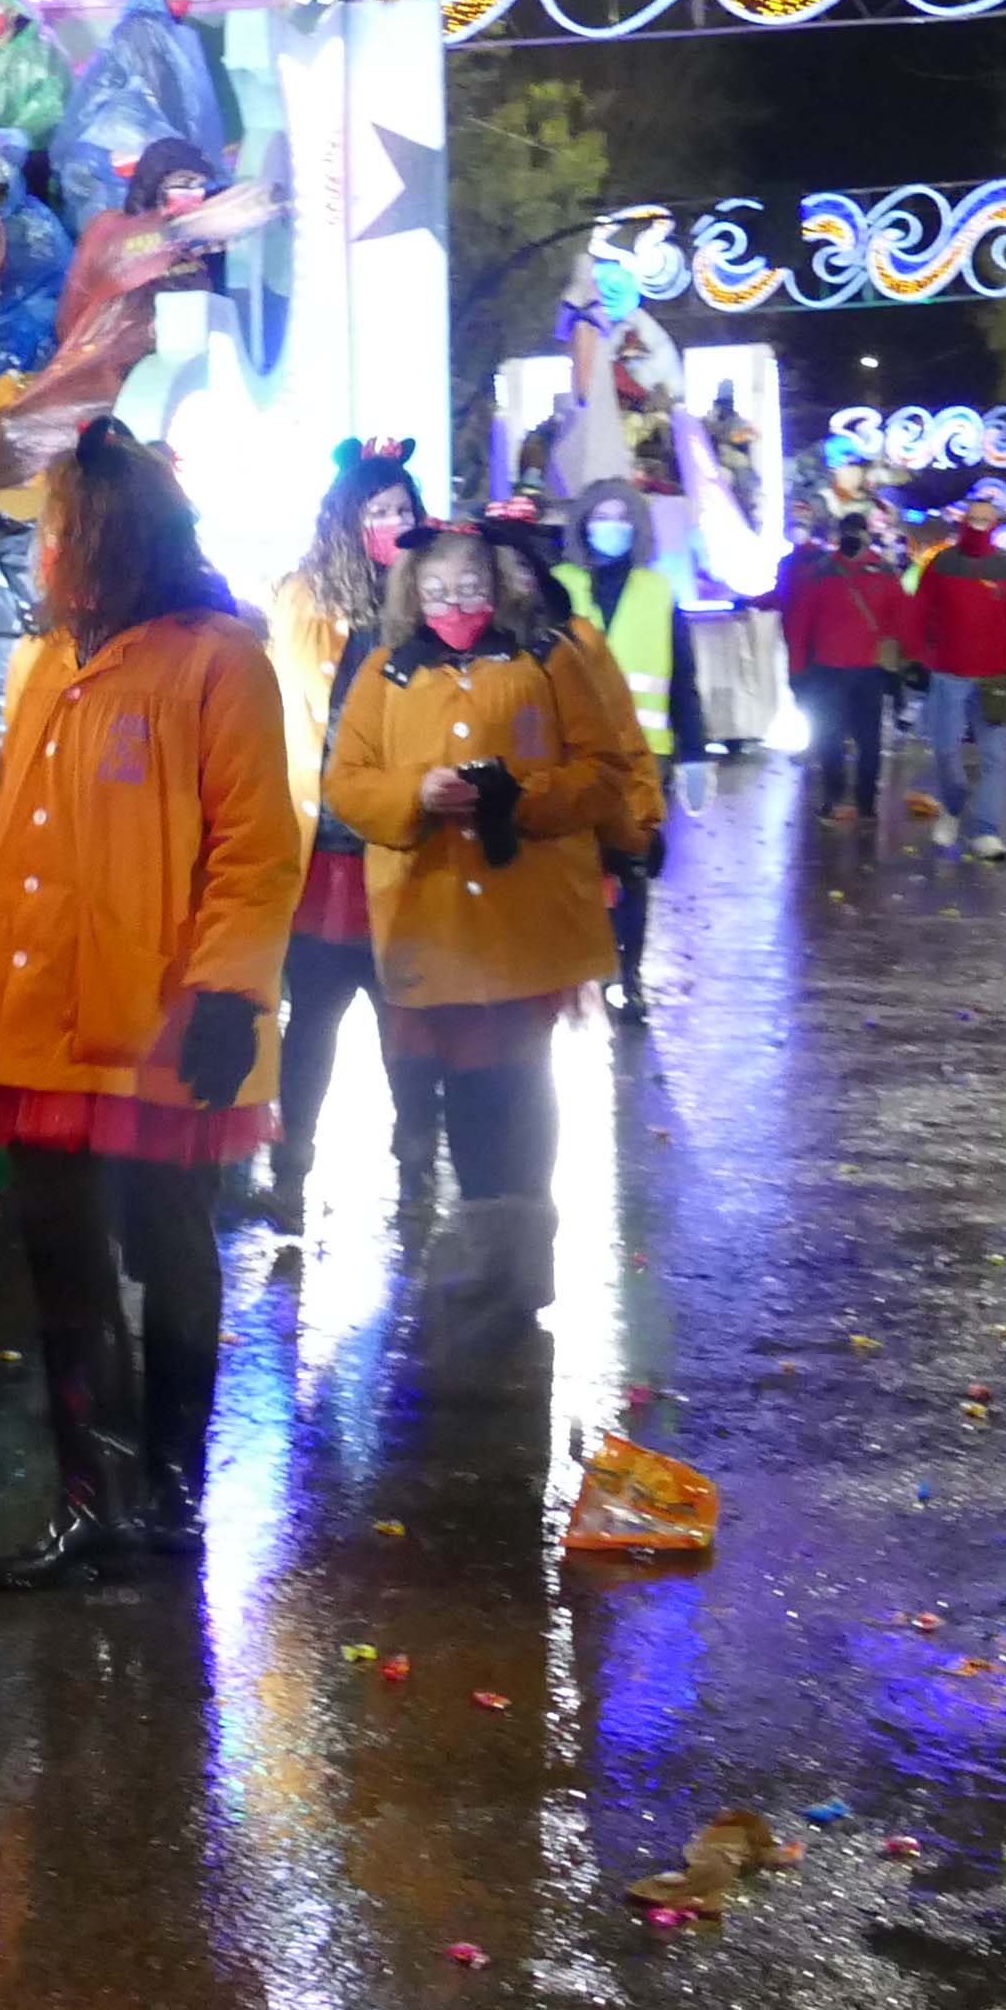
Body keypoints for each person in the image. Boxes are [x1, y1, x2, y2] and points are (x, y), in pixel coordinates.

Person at [0, 422, 303, 1587]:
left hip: (162, 1028)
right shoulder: (47, 664)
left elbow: (256, 849)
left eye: (59, 533)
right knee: (63, 1266)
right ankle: (91, 1493)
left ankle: (173, 1493)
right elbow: (2, 811)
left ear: (113, 538)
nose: (41, 556)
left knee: (173, 1244)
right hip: (38, 1020)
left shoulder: (219, 662)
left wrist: (231, 992)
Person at [326, 516, 648, 1353]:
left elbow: (602, 771)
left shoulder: (549, 660)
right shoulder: (385, 673)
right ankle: (484, 1260)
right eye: (435, 591)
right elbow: (348, 785)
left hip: (524, 919)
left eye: (469, 587)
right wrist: (413, 795)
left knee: (521, 1082)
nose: (453, 604)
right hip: (432, 919)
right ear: (410, 594)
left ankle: (522, 1259)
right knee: (465, 1090)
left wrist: (519, 796)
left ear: (498, 585)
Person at [260, 446, 424, 1223]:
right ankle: (289, 1169)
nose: (393, 525)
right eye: (377, 511)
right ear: (345, 520)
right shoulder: (297, 600)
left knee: (409, 1029)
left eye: (402, 510)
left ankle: (418, 1166)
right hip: (320, 854)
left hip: (406, 851)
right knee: (312, 1023)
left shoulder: (434, 601)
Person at [564, 477, 690, 1010]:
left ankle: (627, 975)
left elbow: (683, 675)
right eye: (600, 516)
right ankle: (576, 970)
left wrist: (697, 750)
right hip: (572, 753)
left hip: (645, 755)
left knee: (632, 867)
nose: (610, 526)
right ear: (583, 523)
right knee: (573, 866)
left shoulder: (658, 590)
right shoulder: (559, 585)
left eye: (621, 517)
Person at [906, 515, 1006, 860]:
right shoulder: (941, 564)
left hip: (994, 675)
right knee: (945, 749)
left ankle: (987, 829)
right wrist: (915, 652)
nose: (979, 524)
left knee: (995, 756)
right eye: (975, 517)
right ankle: (954, 805)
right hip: (948, 671)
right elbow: (919, 609)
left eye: (986, 518)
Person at [776, 511, 913, 833]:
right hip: (831, 671)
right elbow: (801, 625)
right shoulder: (827, 572)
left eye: (857, 531)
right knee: (834, 738)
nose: (853, 537)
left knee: (864, 738)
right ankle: (840, 798)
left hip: (864, 670)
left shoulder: (876, 572)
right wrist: (796, 668)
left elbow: (901, 620)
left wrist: (907, 660)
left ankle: (863, 801)